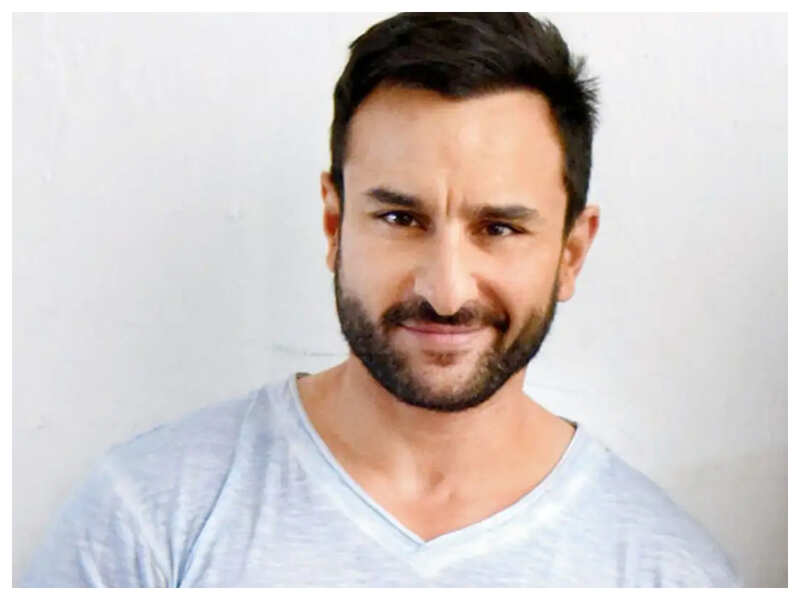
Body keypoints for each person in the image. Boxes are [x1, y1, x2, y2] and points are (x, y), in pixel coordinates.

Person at [21, 13, 741, 587]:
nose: (445, 291)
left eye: (499, 228)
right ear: (333, 224)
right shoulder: (147, 519)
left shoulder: (668, 575)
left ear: (571, 253)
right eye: (400, 219)